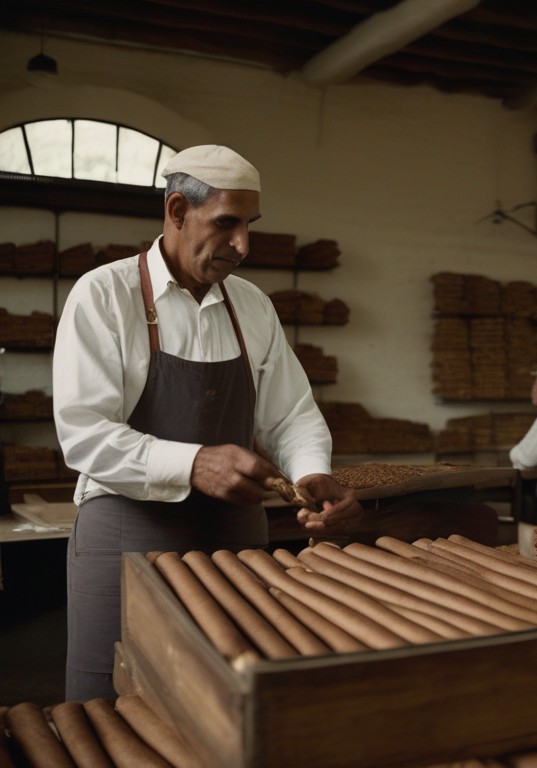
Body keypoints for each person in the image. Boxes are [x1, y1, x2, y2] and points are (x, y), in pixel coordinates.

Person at [53, 144, 360, 700]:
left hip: (234, 535)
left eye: (249, 226)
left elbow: (290, 414)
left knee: (226, 700)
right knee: (112, 702)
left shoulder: (253, 307)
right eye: (226, 224)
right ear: (176, 211)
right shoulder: (103, 296)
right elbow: (84, 432)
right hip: (127, 534)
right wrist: (193, 463)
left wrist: (311, 471)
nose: (242, 245)